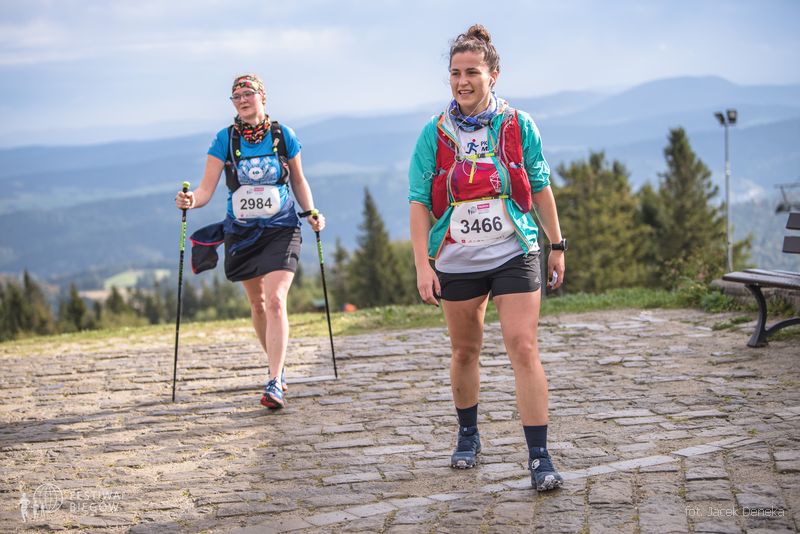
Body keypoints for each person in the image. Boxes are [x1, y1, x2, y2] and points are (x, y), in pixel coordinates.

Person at [408, 24, 567, 491]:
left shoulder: (518, 125)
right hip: (456, 256)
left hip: (515, 249)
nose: (462, 81)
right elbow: (419, 201)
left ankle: (539, 457)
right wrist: (423, 264)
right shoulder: (434, 133)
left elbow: (540, 185)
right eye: (456, 73)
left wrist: (557, 244)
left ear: (493, 75)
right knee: (465, 350)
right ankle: (468, 434)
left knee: (523, 346)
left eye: (472, 72)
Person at [175, 74, 325, 410]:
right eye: (236, 96)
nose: (242, 100)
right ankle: (278, 368)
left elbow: (299, 181)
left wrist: (311, 212)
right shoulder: (225, 140)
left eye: (248, 93)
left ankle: (273, 382)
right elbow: (206, 189)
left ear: (262, 97)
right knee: (257, 304)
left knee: (275, 300)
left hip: (282, 228)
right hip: (242, 233)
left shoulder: (283, 135)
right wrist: (190, 201)